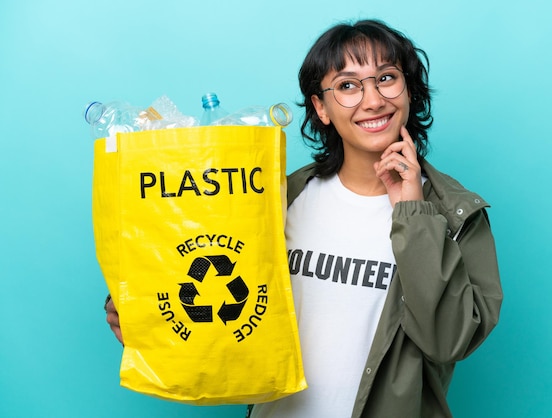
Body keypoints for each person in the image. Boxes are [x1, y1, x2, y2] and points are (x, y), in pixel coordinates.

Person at [105, 19, 503, 418]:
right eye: (347, 85)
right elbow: (214, 286)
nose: (373, 100)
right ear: (321, 108)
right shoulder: (277, 198)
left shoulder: (456, 214)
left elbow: (449, 340)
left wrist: (412, 211)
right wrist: (146, 315)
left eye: (386, 77)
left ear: (409, 90)